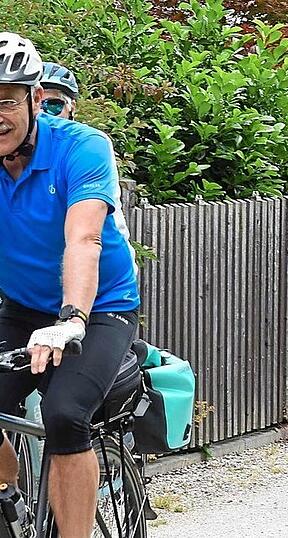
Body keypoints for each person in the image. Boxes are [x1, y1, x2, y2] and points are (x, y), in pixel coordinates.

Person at [0, 33, 140, 537]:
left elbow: (83, 239)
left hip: (99, 308)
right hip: (21, 307)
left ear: (37, 99)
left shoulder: (82, 148)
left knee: (64, 415)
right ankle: (8, 499)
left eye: (6, 100)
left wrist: (71, 320)